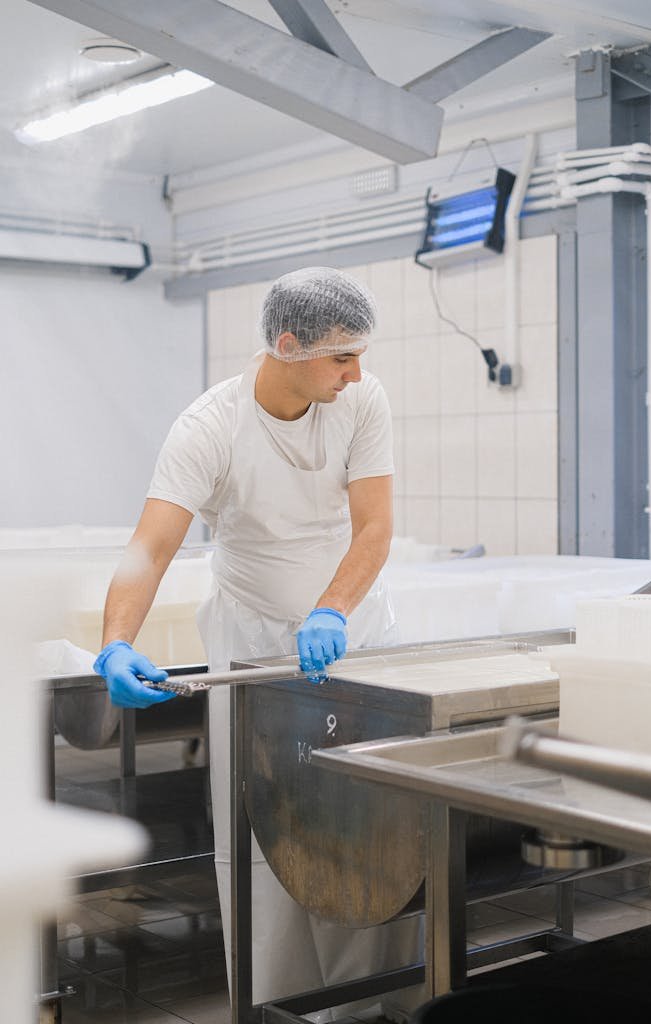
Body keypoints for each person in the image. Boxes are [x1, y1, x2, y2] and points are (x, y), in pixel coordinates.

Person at [93, 266, 422, 1016]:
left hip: (352, 633)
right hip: (251, 644)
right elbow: (150, 548)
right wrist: (116, 642)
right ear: (287, 345)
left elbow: (374, 526)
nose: (357, 372)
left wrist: (332, 609)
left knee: (370, 824)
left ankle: (378, 1004)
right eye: (342, 356)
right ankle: (283, 1005)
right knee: (264, 823)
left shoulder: (362, 400)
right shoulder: (209, 427)